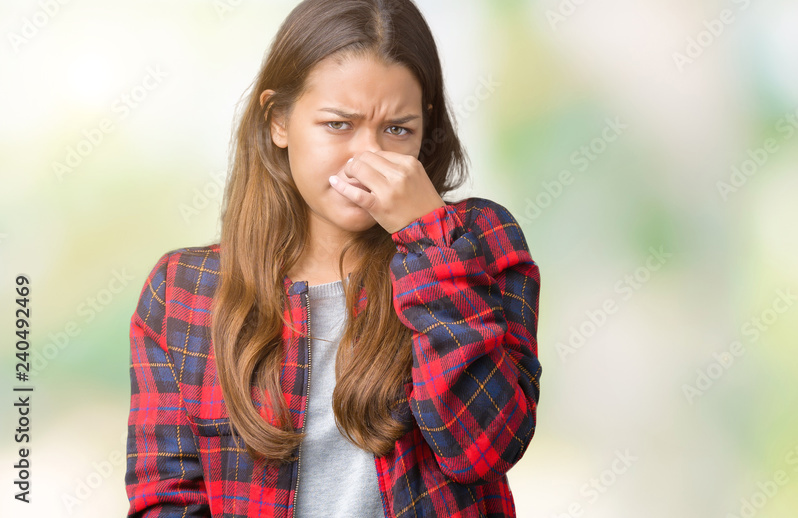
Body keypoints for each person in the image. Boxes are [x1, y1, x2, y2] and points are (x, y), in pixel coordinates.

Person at [123, 0, 542, 516]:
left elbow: (485, 450)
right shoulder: (183, 290)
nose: (367, 158)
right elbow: (167, 501)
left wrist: (427, 239)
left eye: (397, 130)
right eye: (338, 125)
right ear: (278, 119)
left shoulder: (477, 240)